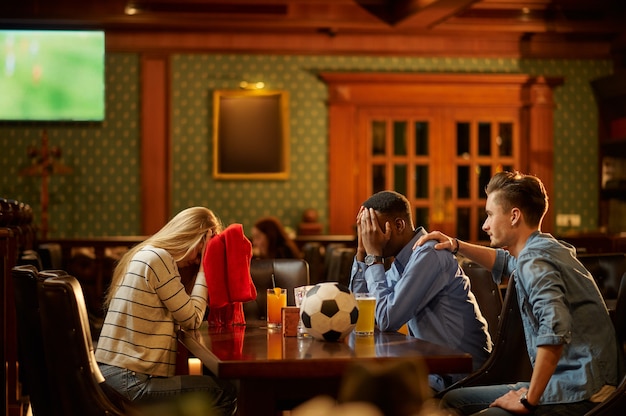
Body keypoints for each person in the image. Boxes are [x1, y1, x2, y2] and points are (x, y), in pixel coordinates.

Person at [416, 171, 621, 415]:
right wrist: (456, 244)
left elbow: (554, 330)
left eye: (490, 214)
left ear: (514, 216)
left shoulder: (535, 261)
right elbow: (504, 262)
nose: (485, 225)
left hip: (582, 390)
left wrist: (527, 401)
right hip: (575, 381)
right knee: (453, 400)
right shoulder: (544, 248)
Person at [95, 207, 237, 416]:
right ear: (189, 237)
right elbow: (193, 318)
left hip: (113, 377)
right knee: (225, 392)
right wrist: (205, 269)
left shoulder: (145, 254)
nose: (199, 259)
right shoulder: (158, 259)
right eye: (203, 250)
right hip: (130, 382)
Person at [349, 190, 492, 392]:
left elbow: (386, 318)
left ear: (399, 225)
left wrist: (374, 256)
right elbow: (358, 311)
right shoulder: (402, 262)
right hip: (435, 370)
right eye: (366, 230)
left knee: (373, 392)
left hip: (462, 376)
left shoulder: (430, 253)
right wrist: (362, 252)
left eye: (374, 229)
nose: (370, 236)